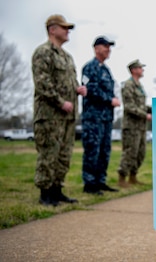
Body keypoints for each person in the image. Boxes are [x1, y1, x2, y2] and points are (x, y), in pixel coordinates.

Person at [32, 14, 87, 206]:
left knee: (64, 155)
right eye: (64, 27)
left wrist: (78, 89)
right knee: (49, 154)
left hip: (67, 117)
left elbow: (68, 83)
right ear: (52, 29)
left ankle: (57, 190)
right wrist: (60, 102)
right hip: (49, 115)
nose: (68, 31)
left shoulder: (67, 57)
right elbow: (42, 83)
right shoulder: (43, 52)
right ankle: (45, 193)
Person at [81, 36, 120, 195]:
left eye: (109, 47)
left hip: (106, 118)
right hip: (93, 117)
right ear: (96, 48)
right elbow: (88, 89)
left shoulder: (106, 70)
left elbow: (110, 89)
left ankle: (100, 181)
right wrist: (109, 99)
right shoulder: (89, 67)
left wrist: (114, 98)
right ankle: (89, 183)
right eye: (105, 46)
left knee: (105, 150)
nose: (108, 49)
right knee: (92, 150)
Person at [117, 59, 152, 187]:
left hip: (141, 127)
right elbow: (129, 106)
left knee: (140, 153)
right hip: (131, 126)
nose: (142, 70)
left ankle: (133, 176)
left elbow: (141, 105)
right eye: (140, 68)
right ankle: (122, 178)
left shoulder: (140, 86)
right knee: (130, 152)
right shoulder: (128, 85)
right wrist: (145, 115)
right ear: (133, 70)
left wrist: (153, 109)